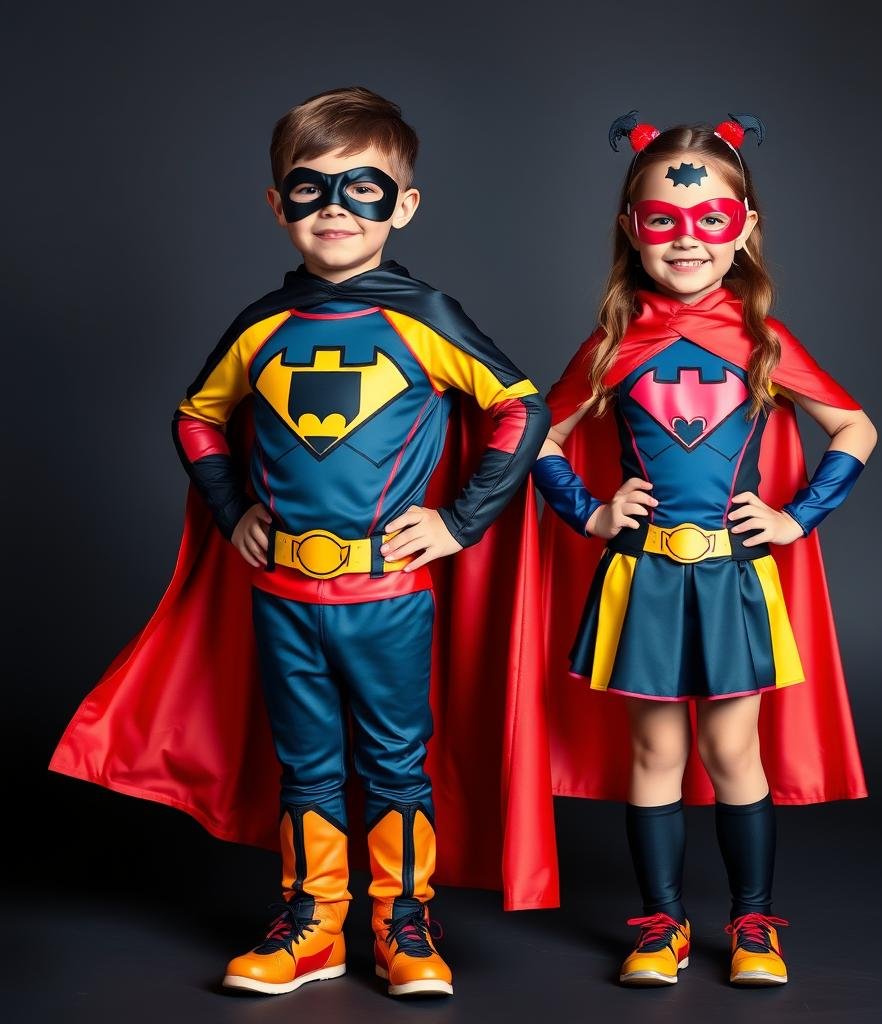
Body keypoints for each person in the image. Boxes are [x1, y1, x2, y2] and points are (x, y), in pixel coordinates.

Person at [50, 86, 557, 999]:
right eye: (310, 186)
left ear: (403, 205)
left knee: (398, 765)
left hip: (389, 594)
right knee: (307, 765)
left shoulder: (426, 317)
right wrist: (228, 505)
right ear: (277, 203)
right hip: (283, 594)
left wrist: (459, 520)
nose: (334, 207)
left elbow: (520, 409)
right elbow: (198, 417)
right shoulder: (261, 326)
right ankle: (313, 926)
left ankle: (405, 924)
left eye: (362, 188)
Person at [533, 112, 876, 988]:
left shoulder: (762, 341)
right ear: (630, 227)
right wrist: (587, 511)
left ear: (746, 226)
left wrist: (800, 515)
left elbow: (854, 426)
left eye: (711, 219)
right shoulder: (612, 346)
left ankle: (752, 923)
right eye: (663, 220)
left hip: (733, 578)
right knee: (655, 756)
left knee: (733, 754)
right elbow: (532, 434)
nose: (687, 241)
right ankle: (662, 925)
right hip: (642, 574)